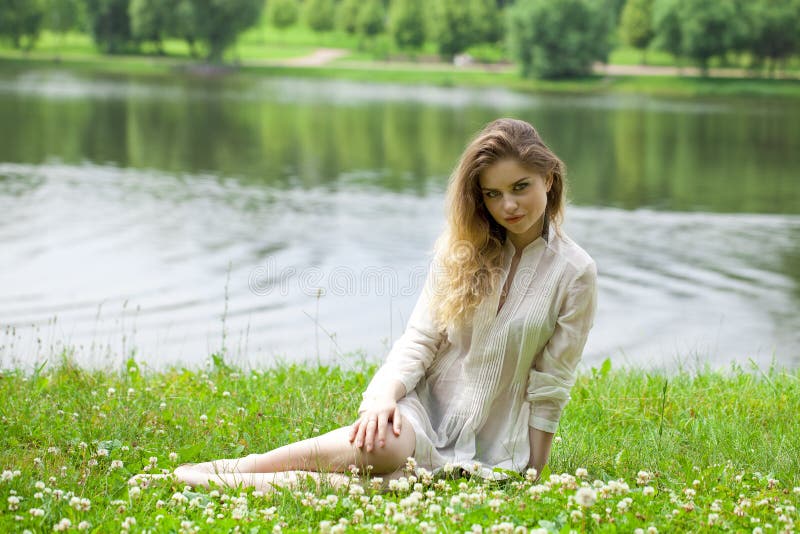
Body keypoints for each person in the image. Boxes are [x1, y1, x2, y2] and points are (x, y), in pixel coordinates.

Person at [135, 117, 597, 491]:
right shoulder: (462, 249)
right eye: (493, 194)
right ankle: (240, 469)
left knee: (394, 484)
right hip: (425, 408)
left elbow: (552, 380)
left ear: (549, 178)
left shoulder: (575, 272)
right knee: (384, 451)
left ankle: (232, 486)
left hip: (497, 437)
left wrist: (535, 473)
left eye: (520, 187)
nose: (508, 206)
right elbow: (420, 339)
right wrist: (382, 398)